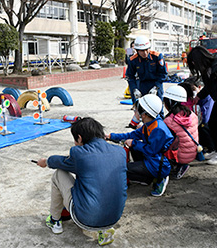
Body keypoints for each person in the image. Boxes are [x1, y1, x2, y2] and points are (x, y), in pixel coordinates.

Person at [37, 117, 127, 246]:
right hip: (114, 218)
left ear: (79, 138)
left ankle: (55, 220)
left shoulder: (79, 153)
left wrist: (46, 161)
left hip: (86, 219)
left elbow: (61, 162)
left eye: (75, 140)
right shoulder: (120, 152)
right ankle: (104, 230)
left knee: (59, 174)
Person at [107, 94, 174, 197]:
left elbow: (151, 151)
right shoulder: (150, 123)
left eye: (137, 111)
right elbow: (131, 135)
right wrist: (110, 136)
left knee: (122, 168)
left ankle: (161, 177)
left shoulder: (158, 129)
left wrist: (134, 143)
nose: (135, 113)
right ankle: (147, 179)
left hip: (158, 164)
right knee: (134, 147)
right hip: (152, 158)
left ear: (145, 114)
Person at [126, 36, 167, 128]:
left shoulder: (157, 56)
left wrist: (156, 87)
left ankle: (161, 129)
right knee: (144, 109)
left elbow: (163, 74)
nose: (144, 53)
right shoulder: (133, 60)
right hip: (143, 84)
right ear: (136, 50)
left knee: (158, 108)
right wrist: (134, 89)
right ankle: (147, 129)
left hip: (156, 84)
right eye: (141, 51)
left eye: (146, 50)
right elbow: (130, 77)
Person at [187, 46, 217, 165]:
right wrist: (198, 97)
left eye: (194, 62)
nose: (194, 66)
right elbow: (209, 87)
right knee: (212, 124)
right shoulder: (206, 71)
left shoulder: (215, 66)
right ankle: (215, 150)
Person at [163, 85, 199, 179]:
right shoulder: (192, 115)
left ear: (169, 102)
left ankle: (176, 164)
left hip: (180, 156)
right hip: (193, 153)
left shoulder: (169, 121)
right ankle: (180, 164)